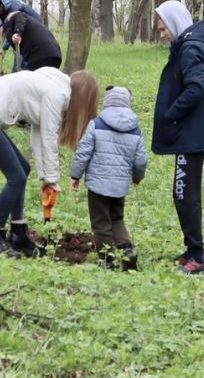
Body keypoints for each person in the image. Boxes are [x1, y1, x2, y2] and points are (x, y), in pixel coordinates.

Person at [0, 68, 98, 258]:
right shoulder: (57, 94)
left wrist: (46, 176)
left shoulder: (53, 82)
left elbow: (39, 132)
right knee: (16, 177)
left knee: (23, 169)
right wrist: (52, 179)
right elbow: (49, 137)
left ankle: (18, 232)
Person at [153, 0, 204, 274]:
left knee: (184, 195)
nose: (162, 34)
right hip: (190, 134)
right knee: (185, 194)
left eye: (163, 28)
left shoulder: (190, 49)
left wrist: (171, 113)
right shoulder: (189, 46)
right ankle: (193, 249)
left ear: (175, 23)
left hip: (190, 135)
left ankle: (198, 257)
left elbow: (196, 88)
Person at [69, 86, 148, 270]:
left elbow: (83, 152)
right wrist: (137, 177)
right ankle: (126, 250)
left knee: (100, 223)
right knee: (117, 218)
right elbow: (141, 159)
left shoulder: (96, 124)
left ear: (107, 102)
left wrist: (75, 175)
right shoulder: (135, 130)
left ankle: (107, 260)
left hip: (97, 185)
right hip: (120, 185)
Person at [0, 0, 43, 71]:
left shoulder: (14, 10)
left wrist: (4, 48)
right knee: (18, 49)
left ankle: (18, 73)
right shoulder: (2, 0)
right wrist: (1, 25)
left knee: (19, 51)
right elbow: (1, 15)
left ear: (1, 6)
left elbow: (12, 33)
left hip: (32, 26)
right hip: (21, 26)